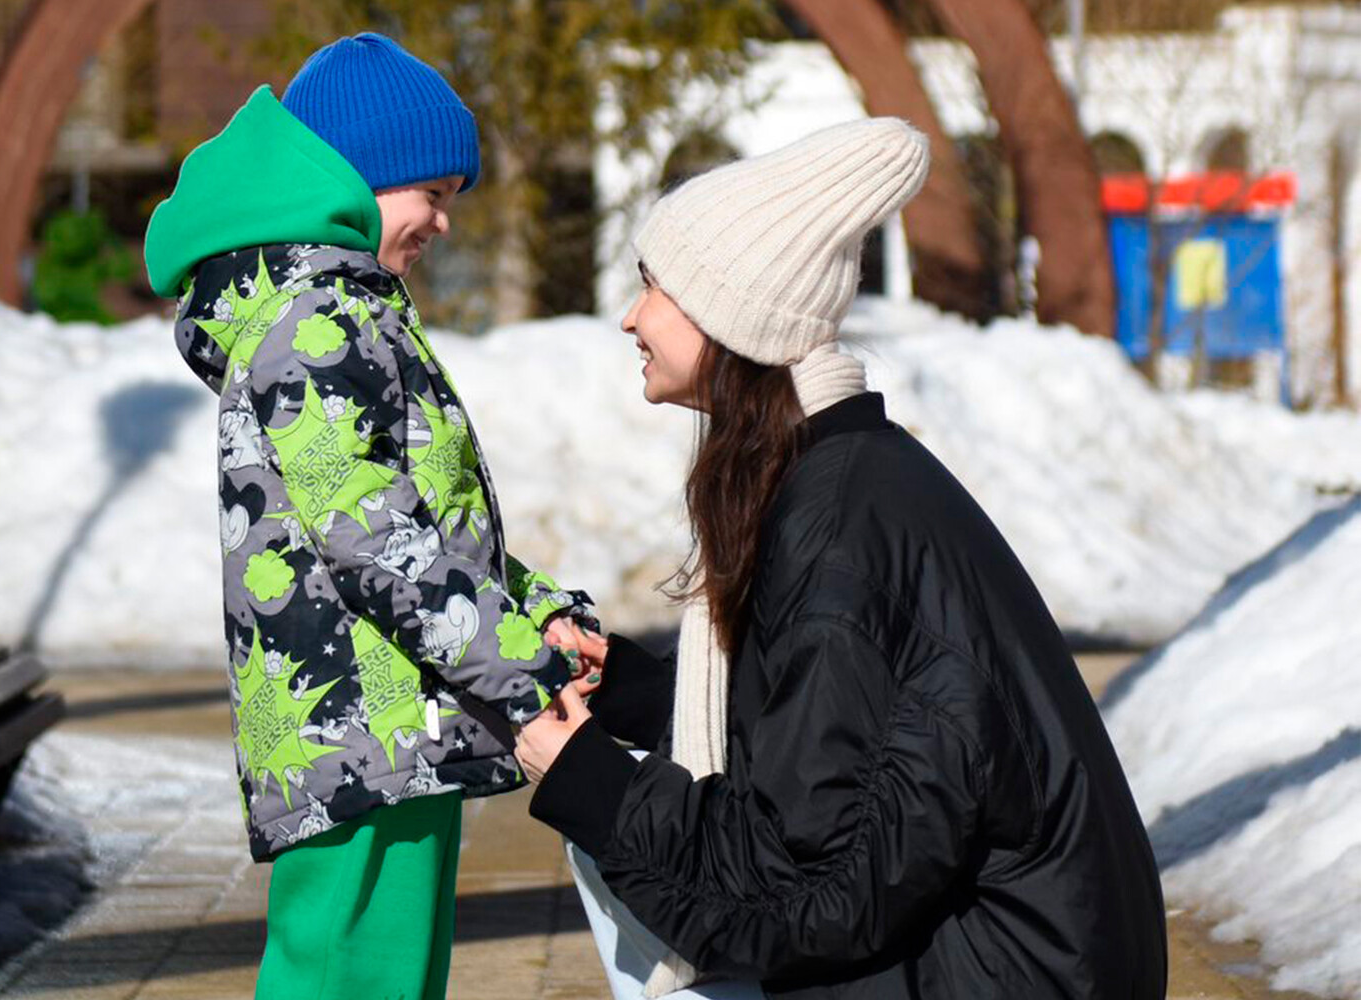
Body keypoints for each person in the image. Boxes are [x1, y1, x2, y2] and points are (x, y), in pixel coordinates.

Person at [516, 119, 1168, 999]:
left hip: (1007, 974)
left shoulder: (832, 531)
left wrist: (591, 783)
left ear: (729, 313)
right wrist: (637, 693)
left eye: (651, 287)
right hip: (1028, 956)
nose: (630, 316)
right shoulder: (840, 473)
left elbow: (806, 888)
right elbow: (827, 743)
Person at [143, 33, 599, 1000]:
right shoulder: (312, 329)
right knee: (348, 979)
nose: (441, 222)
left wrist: (543, 615)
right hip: (352, 735)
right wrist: (520, 672)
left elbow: (430, 524)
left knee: (387, 978)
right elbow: (379, 548)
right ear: (352, 175)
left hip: (396, 724)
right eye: (430, 193)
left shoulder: (352, 312)